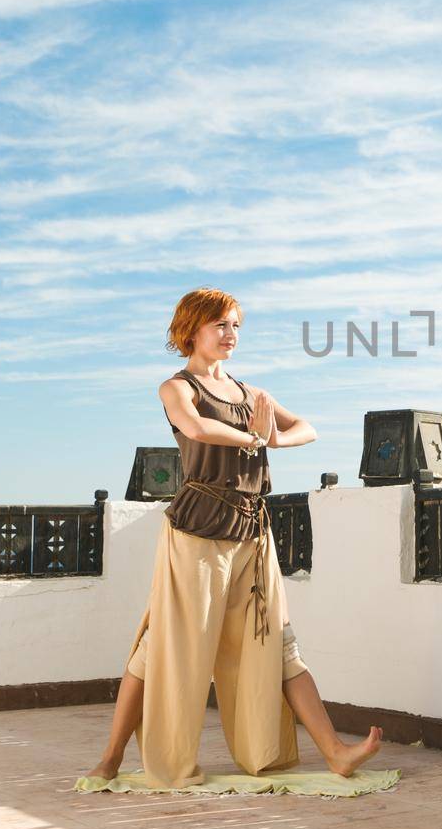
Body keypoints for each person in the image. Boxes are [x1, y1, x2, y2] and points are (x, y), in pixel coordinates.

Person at [87, 287, 382, 787]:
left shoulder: (252, 395)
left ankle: (335, 752)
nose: (231, 335)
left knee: (279, 645)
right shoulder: (177, 387)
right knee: (162, 647)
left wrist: (275, 438)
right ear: (193, 329)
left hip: (251, 530)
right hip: (197, 531)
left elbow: (307, 428)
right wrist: (252, 437)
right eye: (221, 325)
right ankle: (112, 757)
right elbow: (196, 428)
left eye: (236, 326)